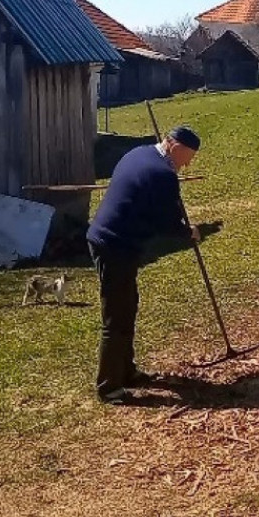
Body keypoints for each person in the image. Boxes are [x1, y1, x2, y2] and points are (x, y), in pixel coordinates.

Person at [86, 126, 202, 405]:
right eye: (188, 156)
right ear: (174, 146)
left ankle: (126, 371)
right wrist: (191, 233)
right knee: (116, 317)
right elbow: (167, 225)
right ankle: (108, 386)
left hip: (110, 239)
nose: (188, 164)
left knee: (128, 305)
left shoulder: (140, 153)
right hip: (114, 244)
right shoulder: (163, 174)